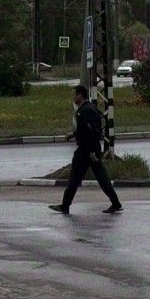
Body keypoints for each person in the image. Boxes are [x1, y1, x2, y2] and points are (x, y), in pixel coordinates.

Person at [50, 85, 122, 215]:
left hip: (86, 150)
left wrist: (91, 151)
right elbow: (85, 128)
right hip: (90, 148)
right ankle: (116, 203)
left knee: (75, 178)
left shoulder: (85, 110)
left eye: (74, 95)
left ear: (80, 95)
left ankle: (65, 205)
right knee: (101, 177)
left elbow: (92, 131)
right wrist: (73, 134)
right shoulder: (88, 108)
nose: (73, 98)